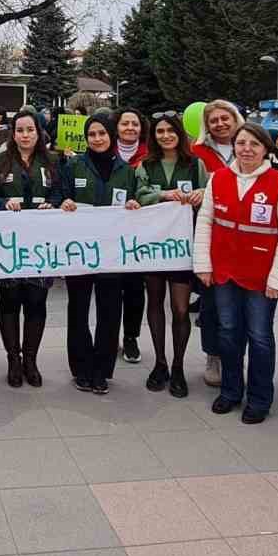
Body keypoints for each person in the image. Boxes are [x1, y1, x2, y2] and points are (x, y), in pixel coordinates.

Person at [193, 122, 278, 422]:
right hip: (225, 272)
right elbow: (206, 222)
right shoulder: (219, 179)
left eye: (254, 144)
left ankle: (259, 398)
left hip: (261, 276)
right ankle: (230, 391)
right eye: (241, 143)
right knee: (228, 333)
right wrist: (203, 264)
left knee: (260, 336)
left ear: (266, 148)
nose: (247, 149)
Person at [60, 115, 142, 394]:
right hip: (79, 251)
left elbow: (137, 201)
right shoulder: (73, 166)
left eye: (102, 133)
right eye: (92, 134)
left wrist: (134, 204)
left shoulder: (126, 170)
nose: (97, 139)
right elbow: (60, 195)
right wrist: (65, 202)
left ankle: (102, 370)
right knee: (78, 309)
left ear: (111, 136)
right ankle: (81, 368)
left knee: (109, 311)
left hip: (111, 253)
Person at [137, 112, 206, 396]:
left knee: (179, 309)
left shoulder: (194, 165)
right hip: (153, 247)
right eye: (160, 131)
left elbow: (211, 195)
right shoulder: (146, 165)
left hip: (181, 248)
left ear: (180, 133)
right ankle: (160, 363)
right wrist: (162, 196)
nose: (165, 136)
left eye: (170, 131)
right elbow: (138, 196)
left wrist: (202, 192)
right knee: (154, 302)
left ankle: (178, 365)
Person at [0, 109, 62, 388]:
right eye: (20, 130)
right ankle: (13, 359)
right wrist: (2, 204)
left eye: (30, 130)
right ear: (13, 133)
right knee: (10, 300)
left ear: (38, 132)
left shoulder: (53, 161)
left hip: (41, 246)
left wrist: (53, 203)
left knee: (36, 300)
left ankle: (30, 360)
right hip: (9, 246)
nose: (25, 135)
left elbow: (60, 192)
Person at [190, 101, 244, 390]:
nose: (220, 124)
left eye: (225, 118)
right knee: (211, 304)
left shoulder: (250, 144)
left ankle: (236, 356)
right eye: (214, 121)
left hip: (247, 240)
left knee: (243, 306)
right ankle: (214, 355)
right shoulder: (197, 152)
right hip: (210, 237)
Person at [112, 108, 149, 365]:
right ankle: (111, 334)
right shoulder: (105, 151)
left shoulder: (149, 155)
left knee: (135, 289)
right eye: (125, 123)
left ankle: (131, 337)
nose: (129, 128)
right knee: (111, 289)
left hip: (138, 234)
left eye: (134, 123)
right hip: (110, 233)